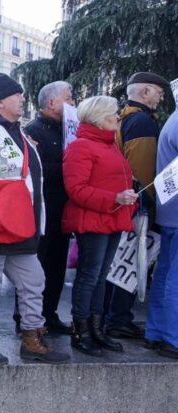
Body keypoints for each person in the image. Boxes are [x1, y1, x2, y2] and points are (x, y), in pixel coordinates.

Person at [0, 73, 69, 366]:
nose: (22, 99)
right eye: (17, 95)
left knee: (34, 282)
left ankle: (32, 337)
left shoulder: (17, 133)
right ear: (0, 101)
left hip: (21, 229)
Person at [63, 96, 137, 356]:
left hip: (111, 217)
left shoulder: (109, 144)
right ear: (99, 118)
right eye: (113, 115)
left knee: (100, 275)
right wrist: (115, 198)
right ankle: (80, 329)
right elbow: (76, 189)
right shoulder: (82, 146)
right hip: (94, 219)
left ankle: (96, 328)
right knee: (89, 276)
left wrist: (126, 194)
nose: (118, 118)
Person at [107, 71, 169, 340]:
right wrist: (149, 207)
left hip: (123, 203)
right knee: (131, 263)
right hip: (137, 207)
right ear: (145, 92)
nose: (161, 97)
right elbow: (144, 173)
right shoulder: (142, 122)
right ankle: (118, 318)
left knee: (117, 263)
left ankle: (113, 316)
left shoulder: (123, 117)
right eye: (158, 92)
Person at [23, 81, 75, 335]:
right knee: (38, 266)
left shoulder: (67, 130)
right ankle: (28, 318)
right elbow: (37, 170)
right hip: (43, 209)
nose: (73, 103)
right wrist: (73, 168)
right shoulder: (34, 130)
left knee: (57, 265)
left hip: (63, 209)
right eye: (69, 97)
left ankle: (50, 314)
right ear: (52, 102)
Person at [145, 108, 178, 359]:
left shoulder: (173, 120)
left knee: (165, 273)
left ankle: (157, 332)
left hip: (170, 212)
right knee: (173, 278)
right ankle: (172, 338)